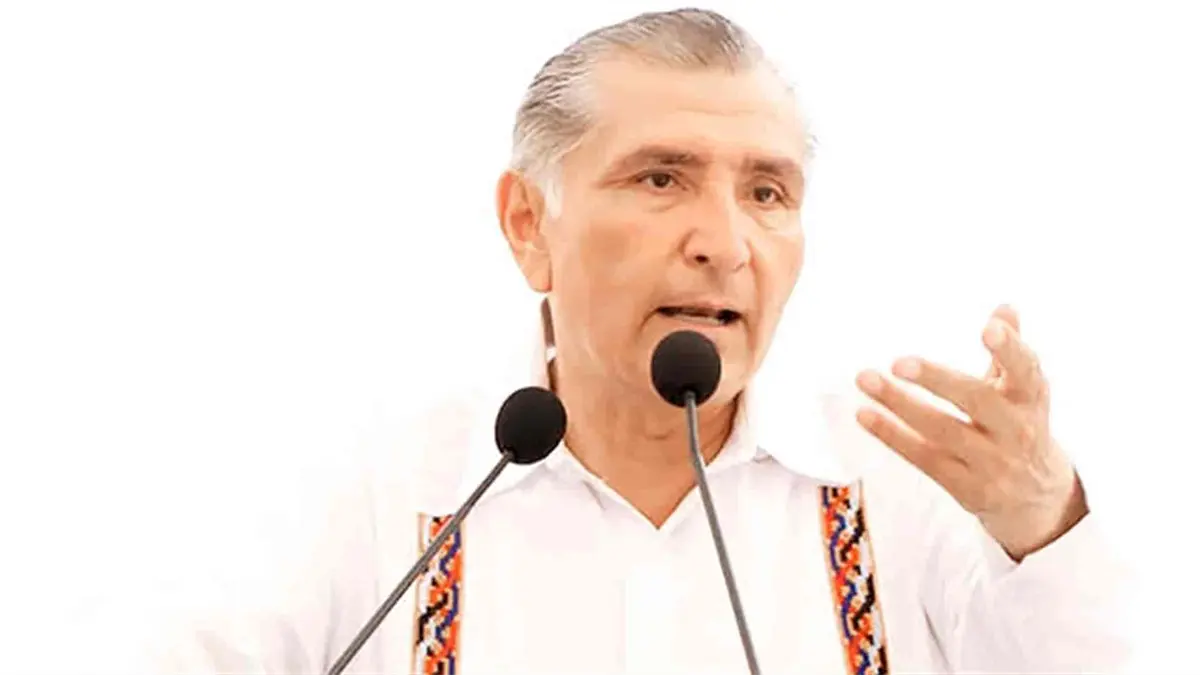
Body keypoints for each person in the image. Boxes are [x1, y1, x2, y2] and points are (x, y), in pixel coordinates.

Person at [139, 8, 1132, 674]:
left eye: (767, 192)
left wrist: (1040, 519)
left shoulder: (913, 499)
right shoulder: (374, 492)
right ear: (529, 224)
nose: (724, 244)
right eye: (662, 179)